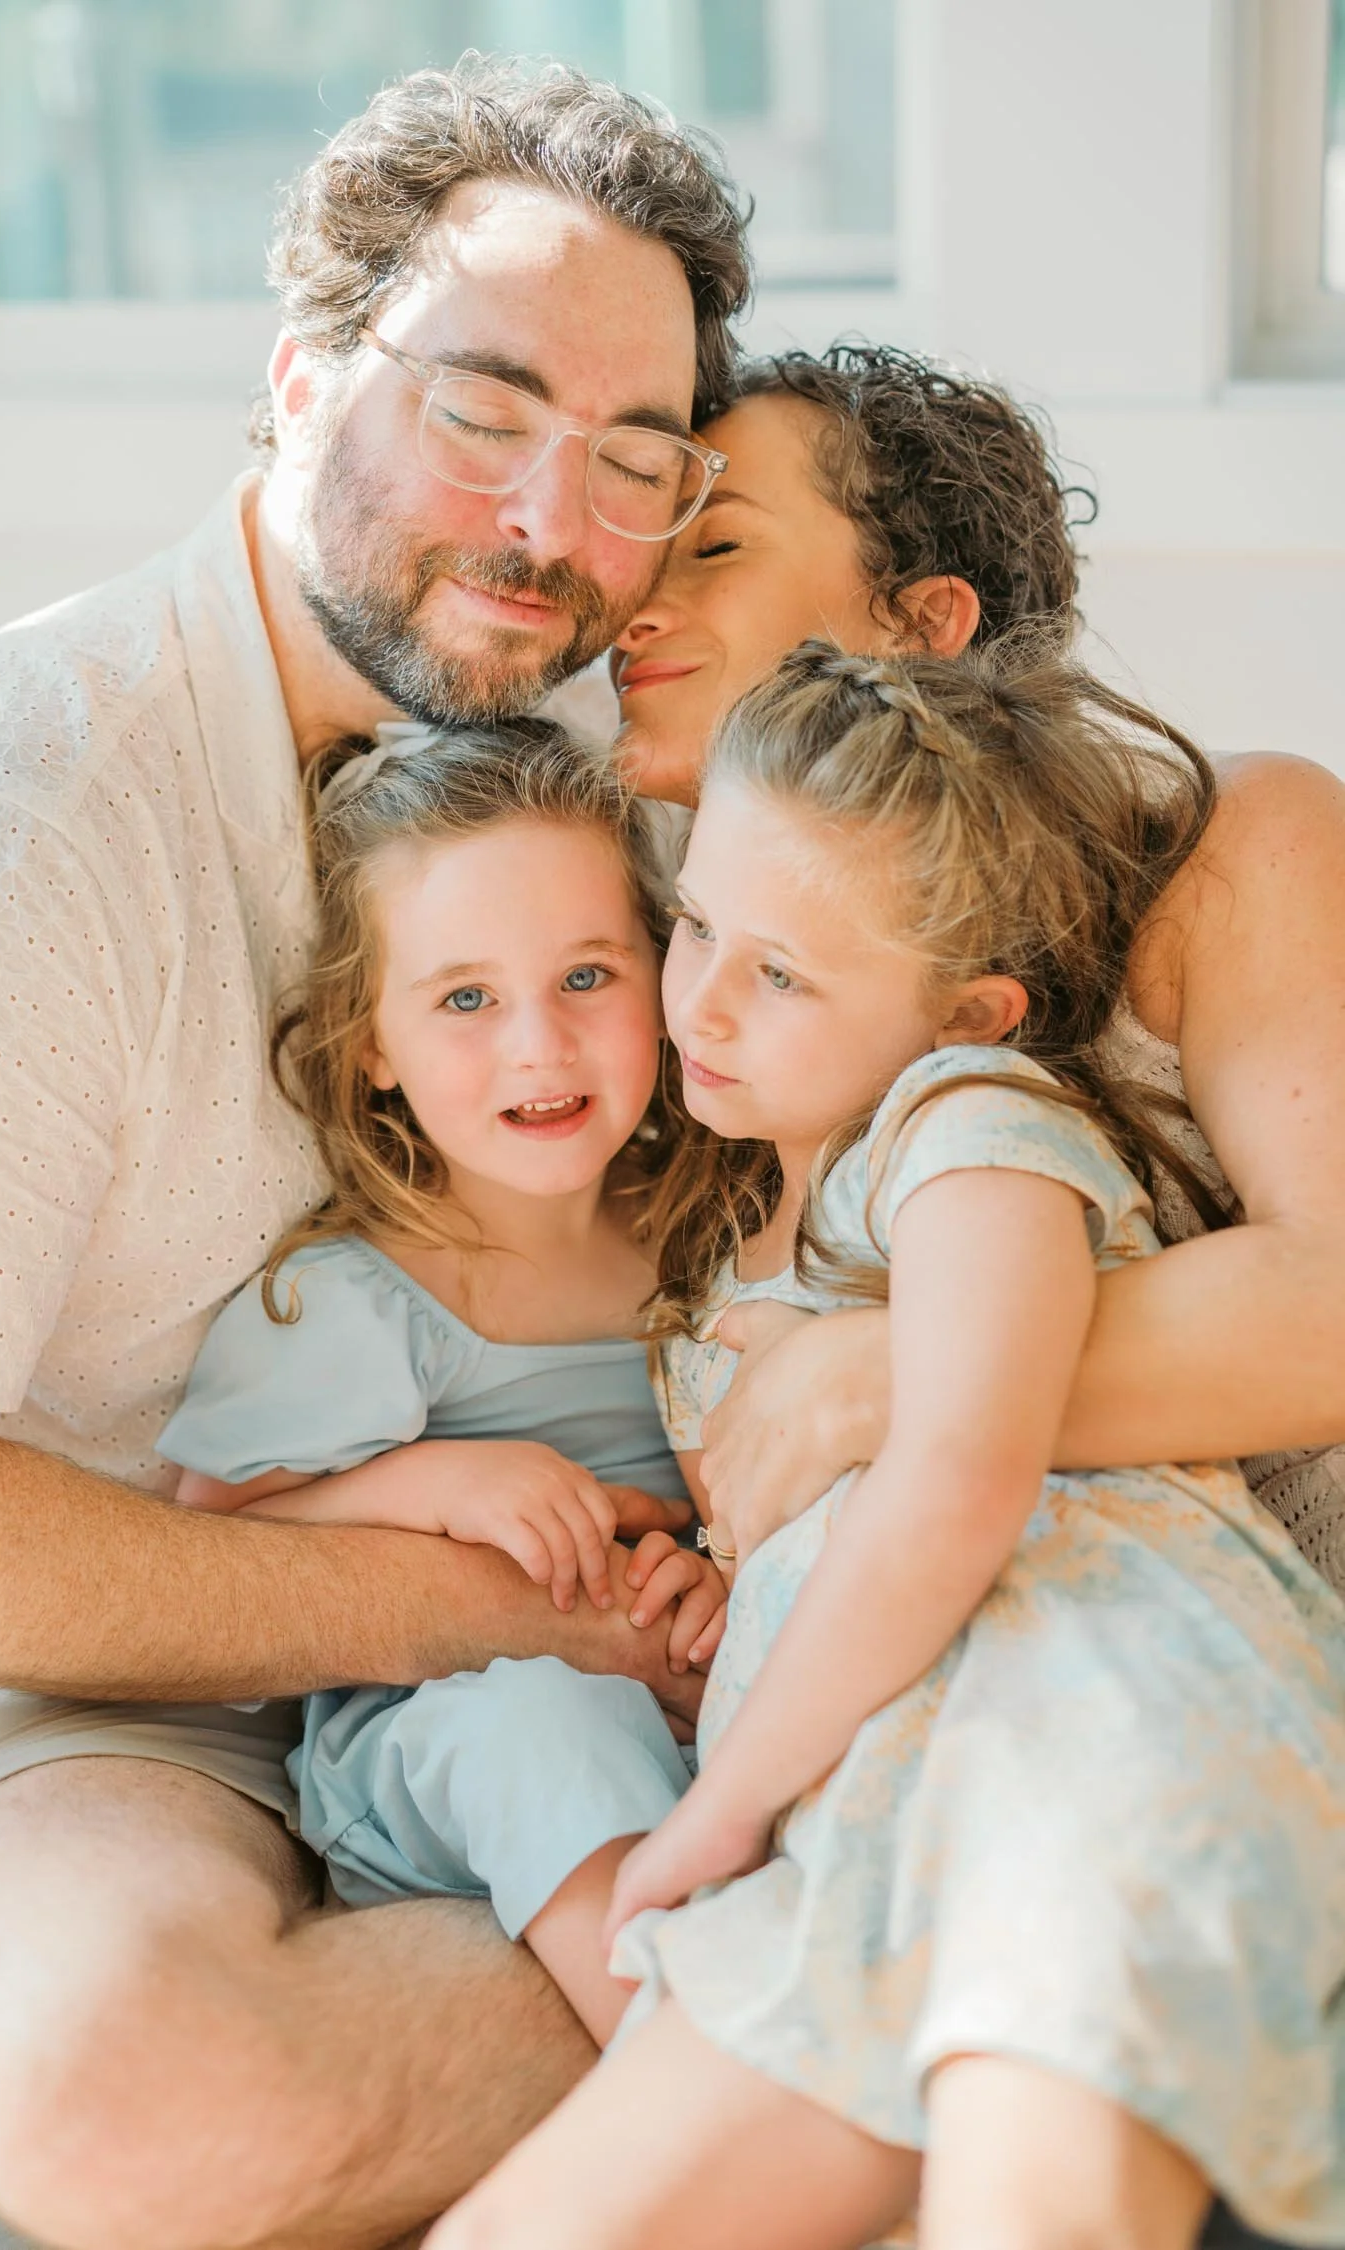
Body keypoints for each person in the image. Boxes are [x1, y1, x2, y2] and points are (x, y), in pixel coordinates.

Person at [0, 57, 750, 2250]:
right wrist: (479, 1611)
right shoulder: (36, 803)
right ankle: (823, 2033)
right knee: (128, 2094)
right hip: (93, 1641)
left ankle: (802, 2017)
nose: (551, 523)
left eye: (635, 459)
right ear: (295, 382)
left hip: (635, 1602)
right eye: (481, 413)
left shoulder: (605, 742)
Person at [429, 642, 1345, 2250]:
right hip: (871, 1814)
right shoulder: (718, 1253)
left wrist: (714, 1815)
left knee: (1036, 2206)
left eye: (779, 973)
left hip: (1095, 1732)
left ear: (963, 1011)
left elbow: (957, 1474)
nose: (698, 999)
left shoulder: (971, 1126)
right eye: (696, 924)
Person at [612, 344, 1345, 1596]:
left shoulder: (1223, 842)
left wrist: (875, 1377)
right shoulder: (667, 955)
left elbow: (1331, 1307)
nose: (634, 607)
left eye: (716, 547)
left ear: (923, 624)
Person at [161, 722, 727, 2048]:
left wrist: (715, 1576)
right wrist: (431, 1481)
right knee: (549, 1715)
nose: (540, 1045)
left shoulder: (715, 1236)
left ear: (665, 978)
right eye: (465, 999)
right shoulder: (361, 1297)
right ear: (372, 1044)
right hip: (437, 1744)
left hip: (679, 1708)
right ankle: (676, 2067)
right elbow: (204, 1548)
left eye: (588, 974)